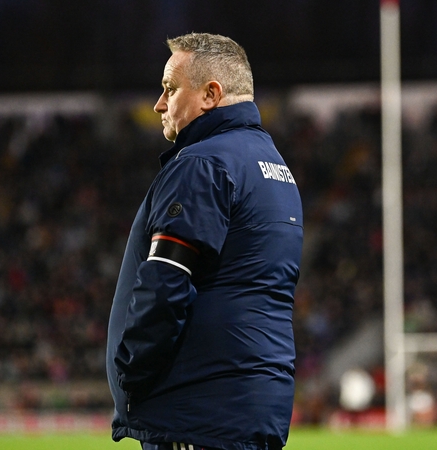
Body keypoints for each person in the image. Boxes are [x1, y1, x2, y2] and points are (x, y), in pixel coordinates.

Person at [106, 33, 304, 450]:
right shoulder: (273, 166)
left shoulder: (202, 163)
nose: (159, 105)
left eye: (170, 89)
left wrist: (128, 376)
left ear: (211, 94)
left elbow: (167, 282)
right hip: (250, 407)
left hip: (197, 416)